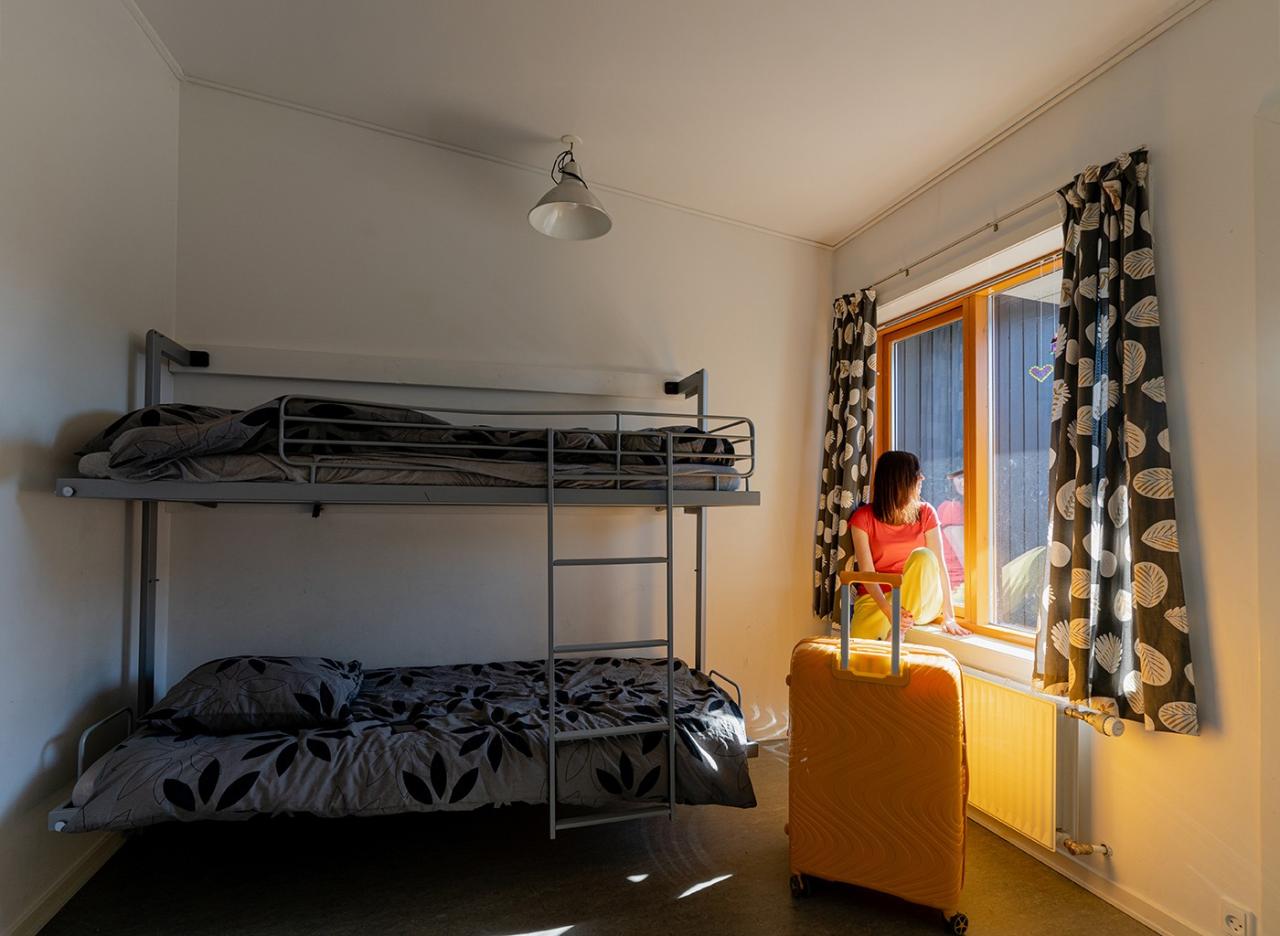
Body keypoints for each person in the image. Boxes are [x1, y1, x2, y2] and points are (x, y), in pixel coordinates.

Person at [846, 451, 971, 640]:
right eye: (916, 473)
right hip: (877, 601)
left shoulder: (926, 513)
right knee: (858, 656)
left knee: (923, 556)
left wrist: (949, 616)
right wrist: (889, 612)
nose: (922, 477)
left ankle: (898, 631)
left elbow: (939, 566)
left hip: (921, 601)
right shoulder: (862, 518)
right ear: (898, 481)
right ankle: (895, 625)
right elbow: (868, 575)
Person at [936, 467, 966, 605]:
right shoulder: (951, 508)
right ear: (952, 481)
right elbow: (964, 557)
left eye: (967, 476)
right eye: (959, 477)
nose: (963, 481)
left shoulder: (969, 508)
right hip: (958, 587)